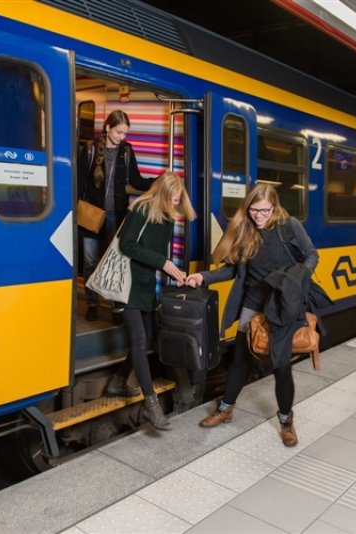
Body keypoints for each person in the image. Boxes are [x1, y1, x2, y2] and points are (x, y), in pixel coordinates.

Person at [182, 183, 318, 446]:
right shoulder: (244, 230)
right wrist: (202, 277)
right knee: (239, 360)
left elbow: (311, 255)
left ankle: (286, 420)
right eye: (254, 210)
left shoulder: (288, 226)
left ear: (274, 207)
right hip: (253, 304)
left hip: (281, 306)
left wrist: (298, 277)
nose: (259, 216)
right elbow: (232, 271)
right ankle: (225, 409)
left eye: (265, 211)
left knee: (281, 365)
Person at [110, 171, 196, 430]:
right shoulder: (140, 210)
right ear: (161, 193)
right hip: (126, 283)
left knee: (148, 337)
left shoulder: (167, 218)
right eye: (172, 198)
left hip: (145, 284)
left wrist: (176, 273)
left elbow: (156, 256)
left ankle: (117, 381)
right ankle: (151, 404)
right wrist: (164, 263)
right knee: (138, 338)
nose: (175, 204)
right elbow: (127, 245)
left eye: (179, 199)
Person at [78, 110, 153, 324]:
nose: (122, 137)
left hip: (117, 214)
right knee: (91, 261)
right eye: (119, 132)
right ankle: (92, 304)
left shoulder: (127, 151)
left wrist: (158, 180)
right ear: (108, 128)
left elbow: (136, 180)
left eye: (125, 133)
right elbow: (79, 181)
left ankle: (115, 307)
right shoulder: (91, 150)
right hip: (91, 215)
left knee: (115, 261)